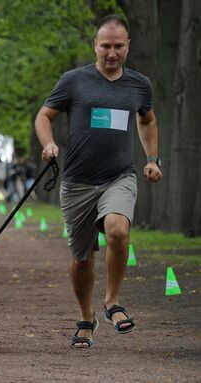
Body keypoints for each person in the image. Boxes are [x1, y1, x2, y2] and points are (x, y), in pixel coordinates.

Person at [34, 15, 162, 348]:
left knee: (118, 229)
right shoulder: (74, 81)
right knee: (81, 258)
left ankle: (112, 302)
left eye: (118, 46)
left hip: (119, 176)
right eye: (105, 45)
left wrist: (152, 159)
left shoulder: (139, 85)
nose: (112, 53)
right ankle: (85, 317)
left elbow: (146, 119)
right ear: (95, 45)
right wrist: (48, 143)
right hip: (77, 183)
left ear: (128, 46)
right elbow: (44, 116)